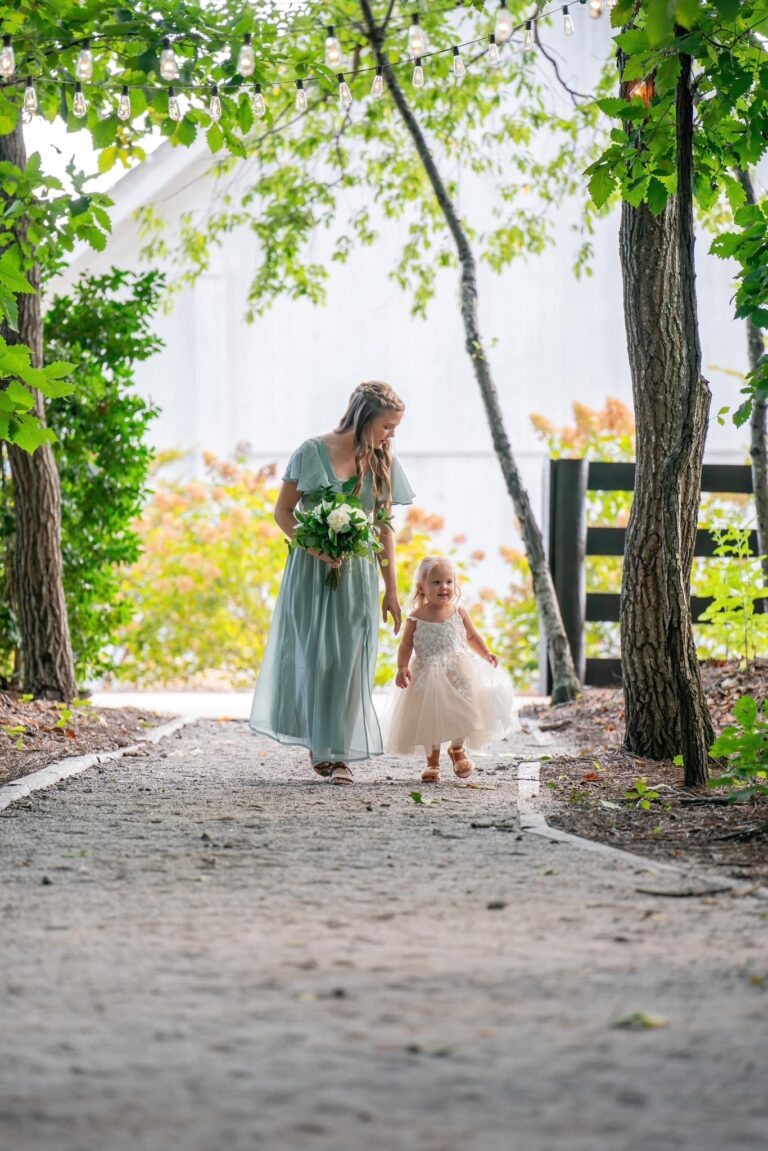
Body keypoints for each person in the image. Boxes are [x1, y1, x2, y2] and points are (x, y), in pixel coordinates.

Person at [250, 382, 414, 785]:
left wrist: (391, 590)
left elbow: (384, 529)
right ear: (364, 418)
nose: (391, 435)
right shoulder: (310, 451)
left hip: (358, 577)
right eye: (387, 426)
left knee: (351, 659)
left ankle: (337, 753)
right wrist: (314, 547)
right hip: (309, 572)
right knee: (314, 656)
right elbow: (283, 513)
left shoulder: (383, 462)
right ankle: (320, 744)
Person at [383, 555, 519, 783]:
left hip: (459, 671)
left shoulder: (458, 612)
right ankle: (432, 763)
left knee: (465, 710)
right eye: (436, 582)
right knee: (430, 718)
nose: (443, 587)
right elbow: (406, 644)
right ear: (421, 587)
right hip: (428, 673)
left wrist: (485, 652)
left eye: (448, 581)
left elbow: (472, 635)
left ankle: (457, 749)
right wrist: (401, 666)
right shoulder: (416, 617)